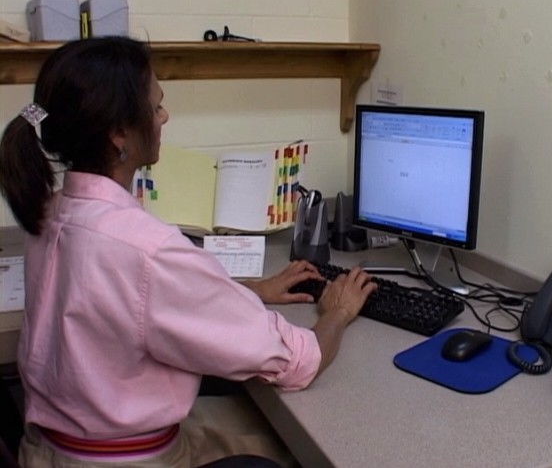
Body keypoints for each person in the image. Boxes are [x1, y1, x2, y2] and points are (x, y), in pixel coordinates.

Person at [0, 36, 377, 468]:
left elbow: (126, 304)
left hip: (52, 450)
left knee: (257, 425)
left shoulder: (49, 213)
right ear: (119, 133)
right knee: (297, 450)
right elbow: (299, 361)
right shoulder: (148, 249)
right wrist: (339, 312)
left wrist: (246, 289)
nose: (164, 116)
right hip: (133, 460)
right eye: (156, 105)